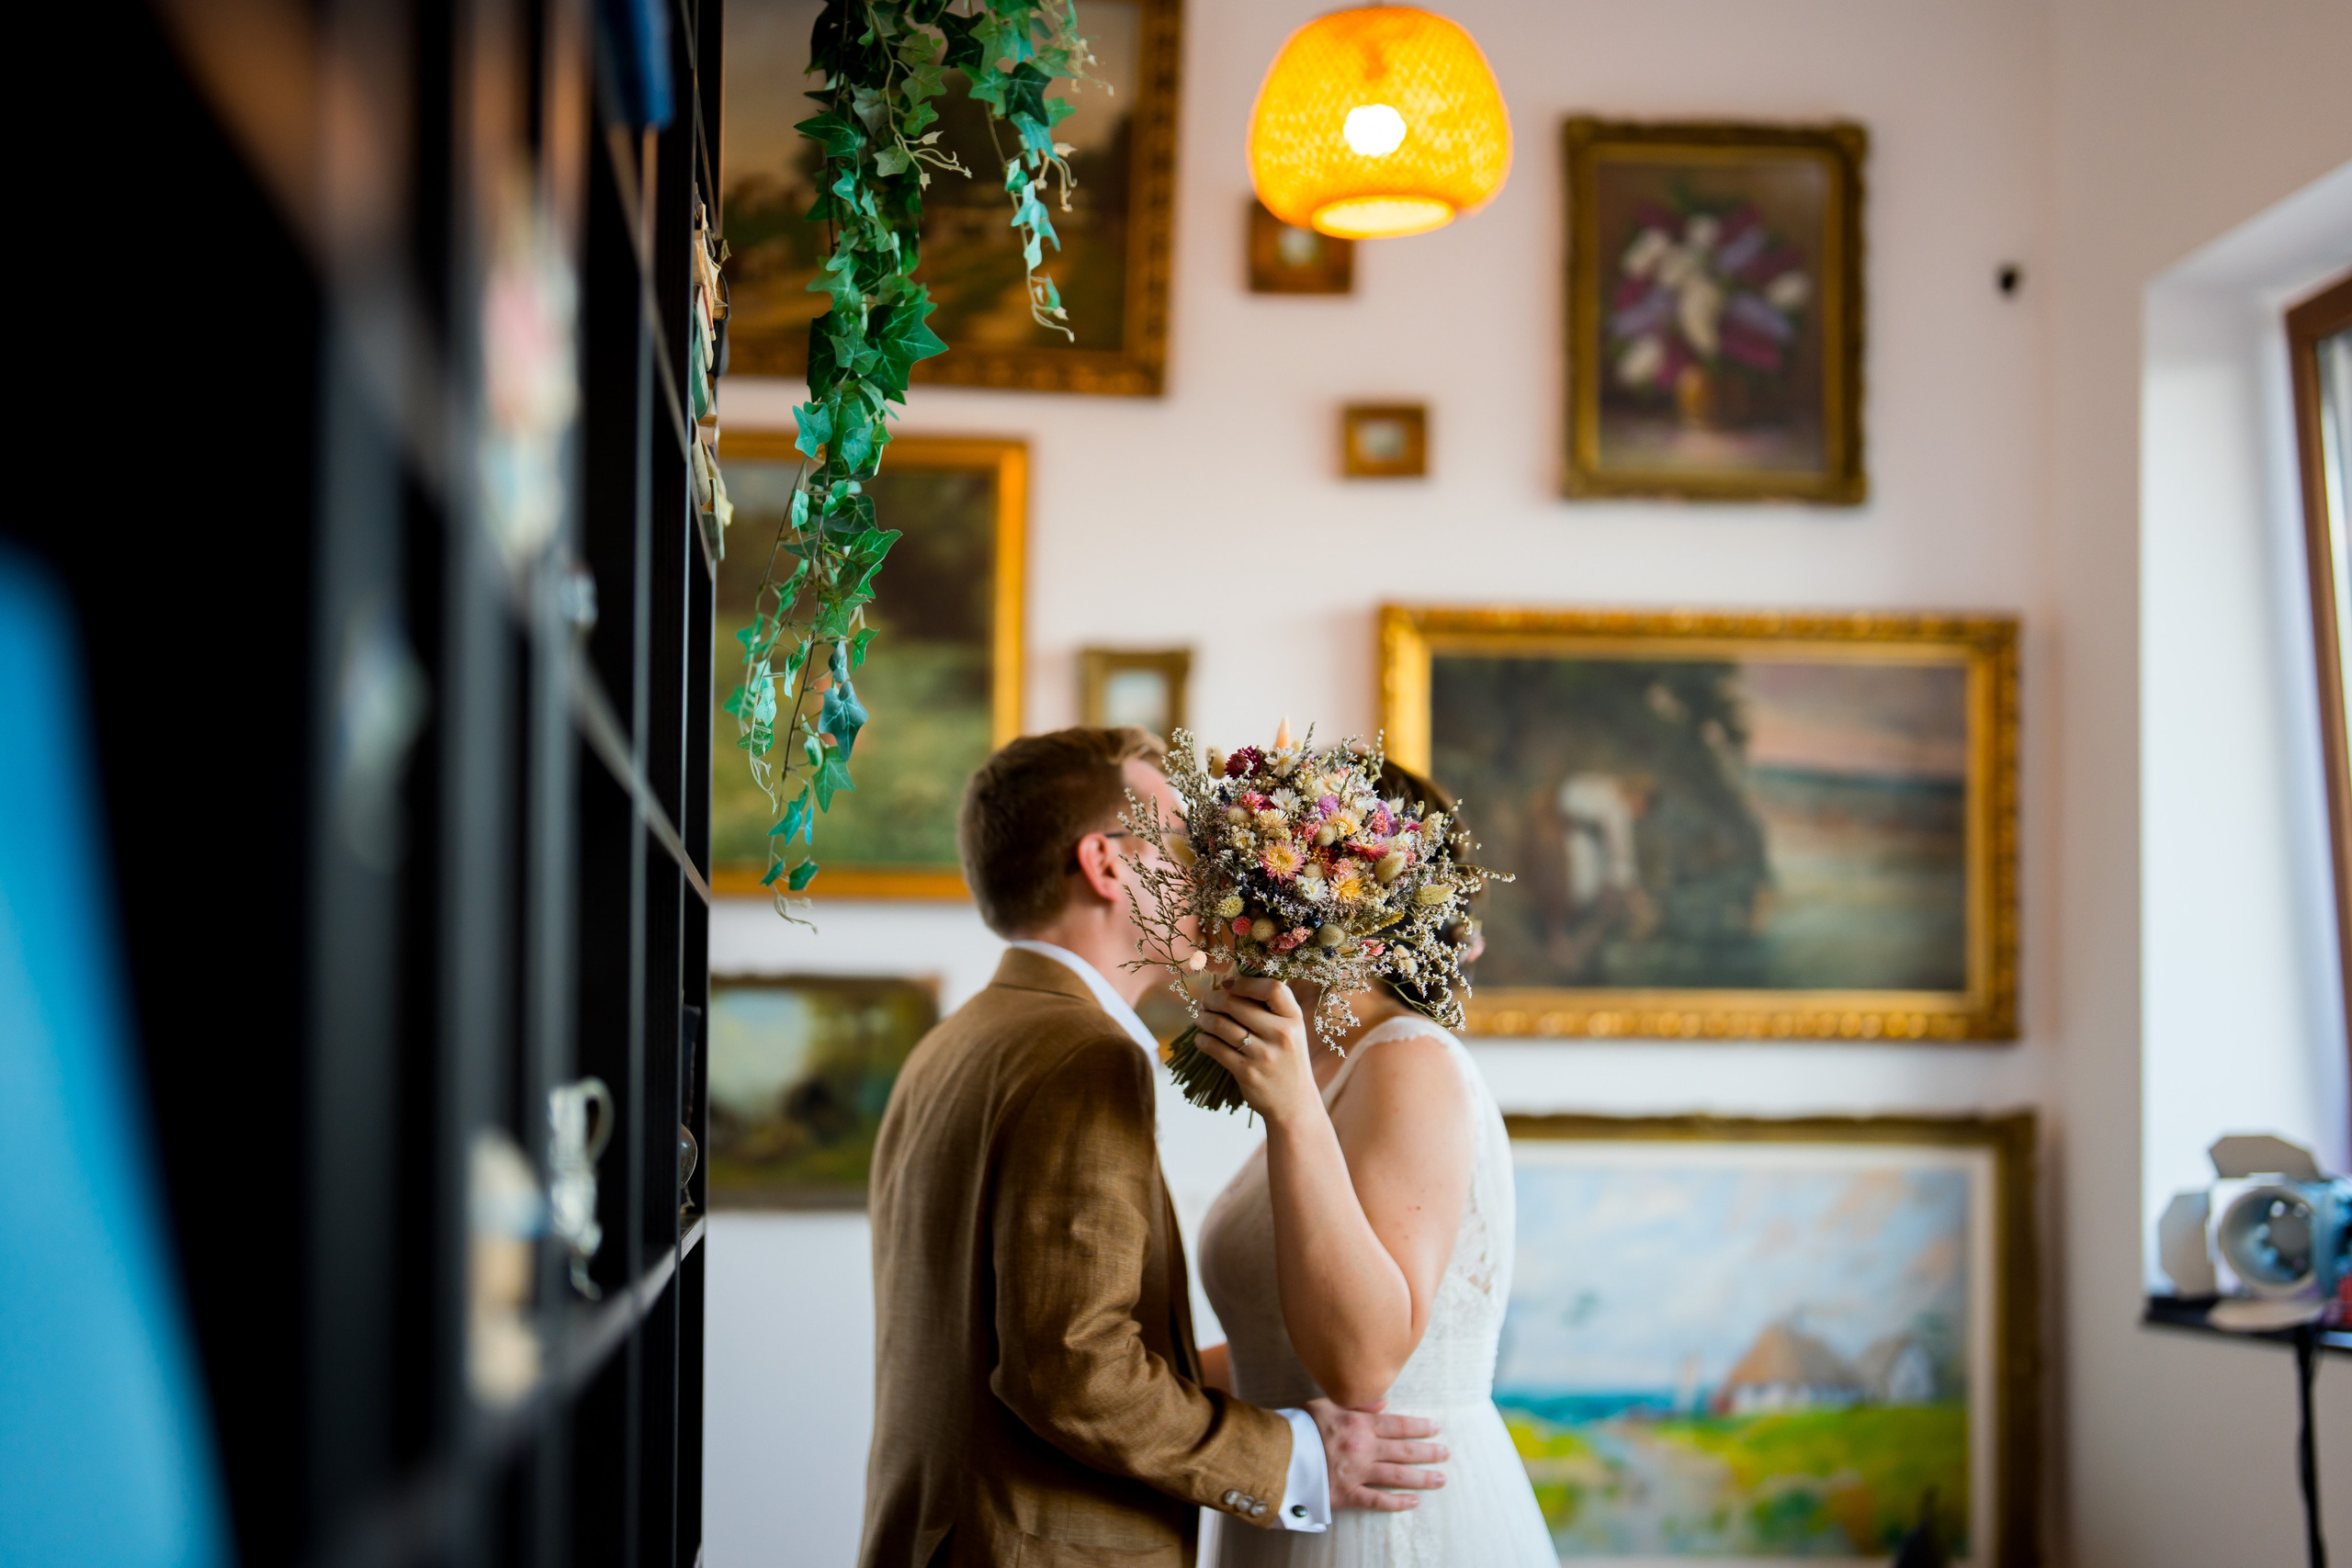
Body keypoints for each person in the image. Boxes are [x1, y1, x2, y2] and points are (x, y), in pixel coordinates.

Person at [858, 728, 1451, 1568]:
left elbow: (1023, 1328)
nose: (1202, 874)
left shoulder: (961, 1039)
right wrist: (1292, 1457)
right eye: (1176, 842)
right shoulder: (1082, 1053)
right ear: (1103, 865)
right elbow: (1071, 1367)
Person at [1192, 763, 1556, 1568]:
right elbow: (1270, 1350)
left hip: (1385, 1524)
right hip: (1292, 1497)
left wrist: (1288, 1110)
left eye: (1265, 858)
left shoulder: (1409, 1060)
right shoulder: (1325, 1067)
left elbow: (1361, 1365)